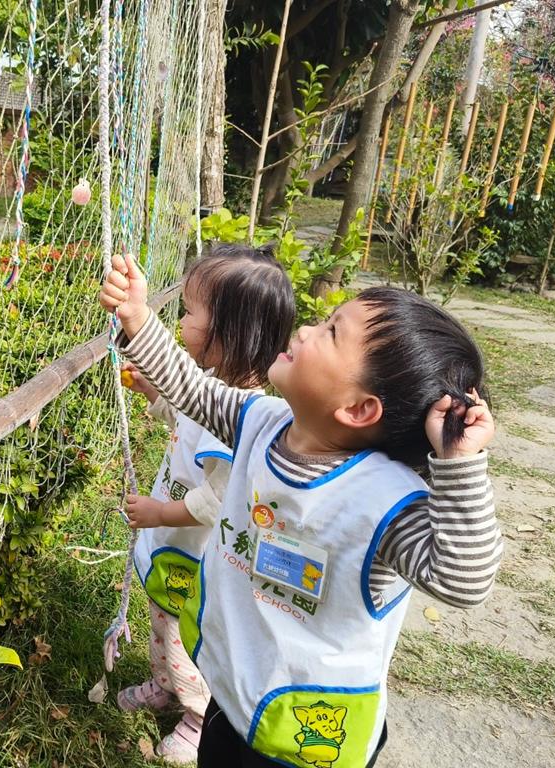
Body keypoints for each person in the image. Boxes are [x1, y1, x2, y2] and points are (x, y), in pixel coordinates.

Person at [100, 254, 502, 768]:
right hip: (236, 691)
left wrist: (460, 463)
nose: (308, 329)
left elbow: (463, 581)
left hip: (310, 734)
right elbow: (190, 388)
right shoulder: (258, 421)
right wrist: (137, 317)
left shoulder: (384, 501)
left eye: (332, 332)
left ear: (358, 409)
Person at [117, 245, 295, 764]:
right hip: (177, 547)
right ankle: (164, 685)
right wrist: (154, 392)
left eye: (190, 312)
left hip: (196, 556)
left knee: (186, 633)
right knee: (162, 621)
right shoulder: (215, 390)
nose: (181, 322)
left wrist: (159, 513)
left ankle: (197, 715)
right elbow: (184, 418)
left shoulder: (246, 419)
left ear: (229, 333)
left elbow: (217, 501)